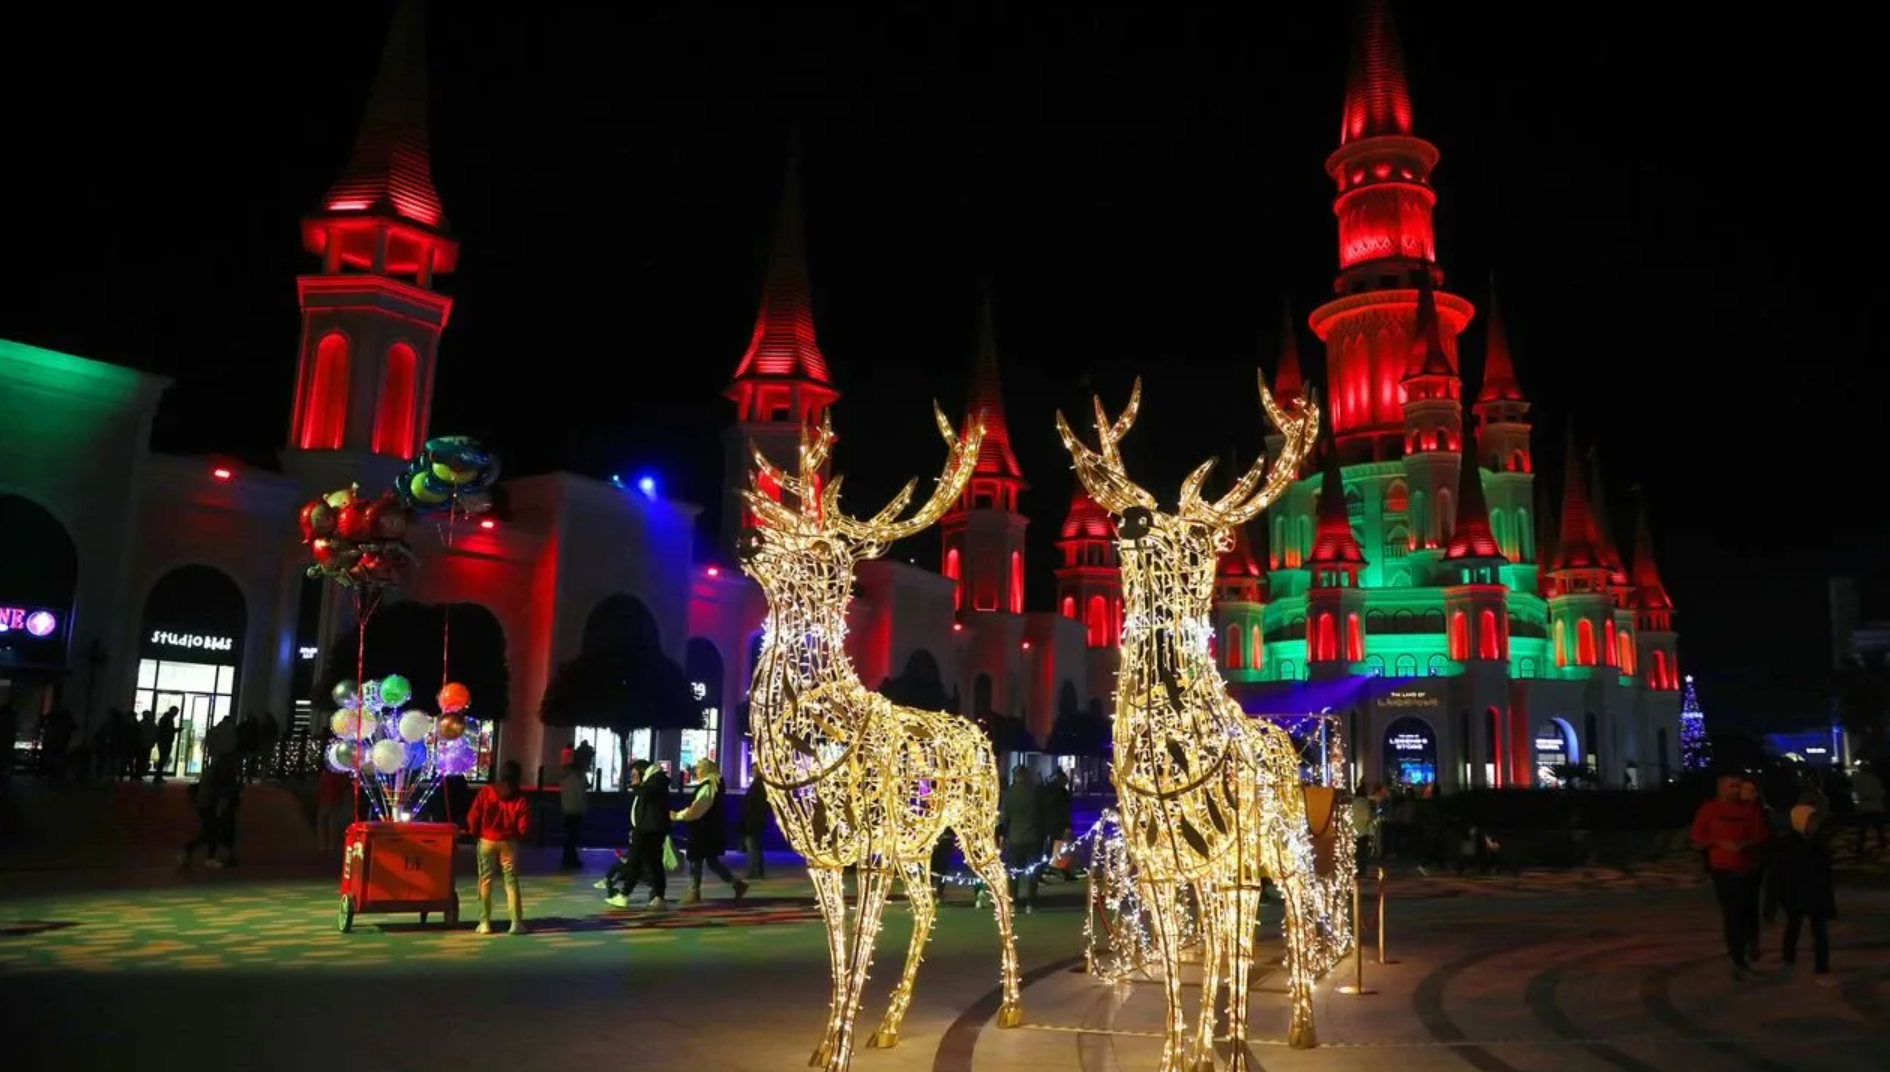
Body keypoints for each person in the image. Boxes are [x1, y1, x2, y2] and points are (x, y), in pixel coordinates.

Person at [1690, 773, 1770, 979]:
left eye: (1738, 786)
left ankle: (1750, 942)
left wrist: (1746, 844)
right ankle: (1738, 957)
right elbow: (1697, 834)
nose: (1736, 790)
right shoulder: (1710, 809)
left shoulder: (1750, 809)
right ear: (1721, 787)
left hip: (1749, 868)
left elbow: (1761, 834)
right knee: (1733, 914)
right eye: (1731, 786)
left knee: (1749, 911)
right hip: (1724, 870)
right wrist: (1717, 842)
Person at [670, 758, 749, 906]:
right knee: (711, 862)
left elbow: (697, 808)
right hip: (710, 830)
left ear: (706, 770)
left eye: (699, 768)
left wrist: (678, 816)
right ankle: (736, 884)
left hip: (703, 830)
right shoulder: (712, 785)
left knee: (696, 859)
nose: (696, 771)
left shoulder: (707, 786)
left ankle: (694, 891)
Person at [1776, 803, 1838, 986]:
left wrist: (1829, 902)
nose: (1815, 824)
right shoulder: (1787, 845)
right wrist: (1778, 900)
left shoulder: (1820, 843)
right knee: (1793, 927)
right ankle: (1788, 960)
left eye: (1815, 820)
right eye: (1811, 821)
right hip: (1796, 895)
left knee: (1820, 934)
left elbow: (1825, 873)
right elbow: (1779, 875)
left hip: (1817, 895)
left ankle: (1822, 969)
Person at [466, 760, 530, 935]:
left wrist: (474, 832)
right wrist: (518, 836)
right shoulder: (520, 798)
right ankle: (515, 923)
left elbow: (473, 816)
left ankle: (485, 923)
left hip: (486, 840)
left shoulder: (486, 792)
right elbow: (523, 827)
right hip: (508, 842)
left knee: (485, 880)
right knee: (511, 881)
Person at [607, 759, 673, 910]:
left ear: (642, 770)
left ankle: (626, 895)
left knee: (636, 862)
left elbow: (646, 795)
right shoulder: (652, 780)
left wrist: (636, 784)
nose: (633, 777)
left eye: (634, 773)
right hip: (646, 828)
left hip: (648, 829)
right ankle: (657, 896)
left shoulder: (656, 779)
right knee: (650, 863)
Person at [176, 751, 240, 869]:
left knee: (210, 832)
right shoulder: (217, 773)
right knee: (210, 832)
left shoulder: (214, 771)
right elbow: (215, 790)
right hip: (208, 804)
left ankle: (195, 853)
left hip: (206, 804)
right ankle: (199, 854)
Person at [998, 767, 1046, 914]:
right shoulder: (1036, 793)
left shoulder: (1009, 794)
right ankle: (1030, 902)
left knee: (1014, 871)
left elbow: (1004, 818)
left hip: (1015, 838)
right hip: (1033, 837)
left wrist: (1003, 835)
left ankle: (1013, 901)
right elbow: (1042, 814)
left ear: (1015, 776)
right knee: (1032, 871)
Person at [1851, 763, 1885, 861]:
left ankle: (1861, 848)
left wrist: (1856, 804)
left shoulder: (1861, 779)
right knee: (1875, 828)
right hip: (1871, 807)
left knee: (1867, 829)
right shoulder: (1873, 778)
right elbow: (1879, 792)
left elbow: (1854, 794)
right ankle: (1880, 845)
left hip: (1868, 807)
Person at [739, 775, 770, 880]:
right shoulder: (760, 788)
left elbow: (750, 806)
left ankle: (753, 872)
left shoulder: (756, 788)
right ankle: (758, 871)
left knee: (752, 847)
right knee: (756, 847)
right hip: (755, 822)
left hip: (752, 823)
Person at [558, 761, 587, 869]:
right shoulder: (578, 781)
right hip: (575, 811)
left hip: (566, 810)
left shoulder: (565, 780)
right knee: (573, 837)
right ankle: (571, 858)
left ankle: (568, 857)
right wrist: (583, 809)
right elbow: (580, 797)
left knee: (569, 836)